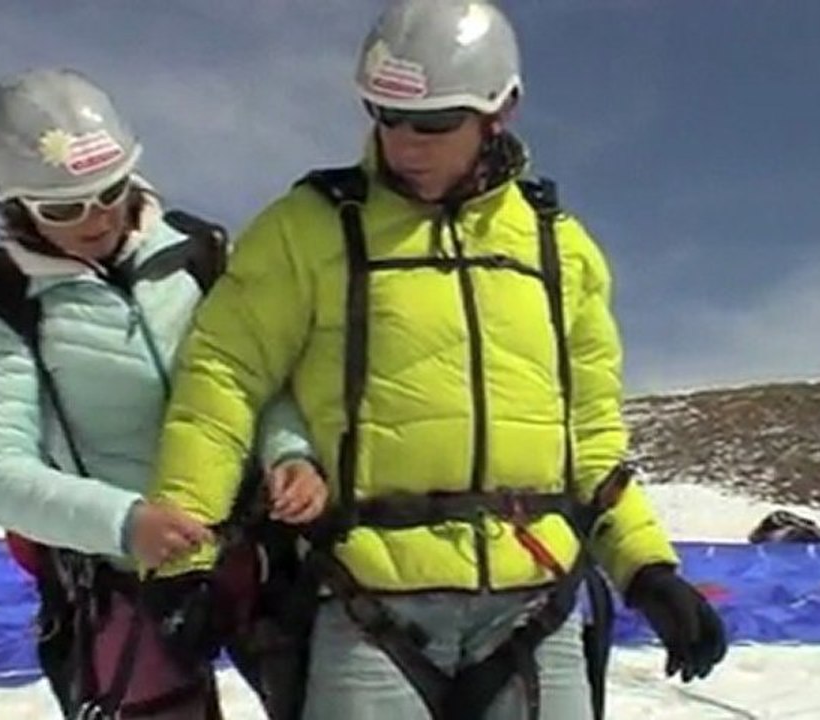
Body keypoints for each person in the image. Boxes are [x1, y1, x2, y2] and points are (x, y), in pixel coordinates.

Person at [149, 1, 728, 719]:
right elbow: (223, 379)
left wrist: (647, 569)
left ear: (500, 112)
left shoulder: (561, 250)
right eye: (385, 116)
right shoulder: (308, 229)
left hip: (534, 607)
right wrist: (187, 563)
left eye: (432, 124)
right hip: (368, 604)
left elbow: (593, 437)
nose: (404, 144)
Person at [0, 67, 326, 719]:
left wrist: (291, 453)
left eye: (109, 191)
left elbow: (256, 376)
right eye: (63, 208)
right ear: (14, 203)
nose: (96, 218)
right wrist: (125, 520)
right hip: (124, 577)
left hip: (255, 552)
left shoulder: (200, 256)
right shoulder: (1, 304)